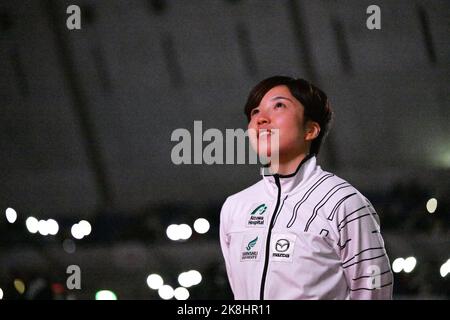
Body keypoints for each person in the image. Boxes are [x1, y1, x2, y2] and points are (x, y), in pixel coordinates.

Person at [219, 76, 393, 300]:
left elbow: (374, 291)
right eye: (254, 112)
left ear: (310, 130)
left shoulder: (344, 202)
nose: (260, 119)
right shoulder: (235, 207)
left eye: (278, 105)